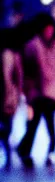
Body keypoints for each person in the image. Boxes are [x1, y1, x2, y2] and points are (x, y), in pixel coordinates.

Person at [17, 14, 55, 169]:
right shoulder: (32, 46)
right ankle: (25, 150)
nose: (49, 32)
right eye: (47, 29)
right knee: (33, 125)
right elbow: (27, 70)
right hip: (36, 94)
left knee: (50, 126)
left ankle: (50, 152)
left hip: (51, 94)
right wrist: (27, 90)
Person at [0, 27, 23, 169]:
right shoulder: (11, 54)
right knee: (6, 125)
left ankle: (7, 151)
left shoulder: (10, 54)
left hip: (7, 94)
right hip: (7, 95)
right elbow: (12, 76)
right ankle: (7, 152)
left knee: (6, 125)